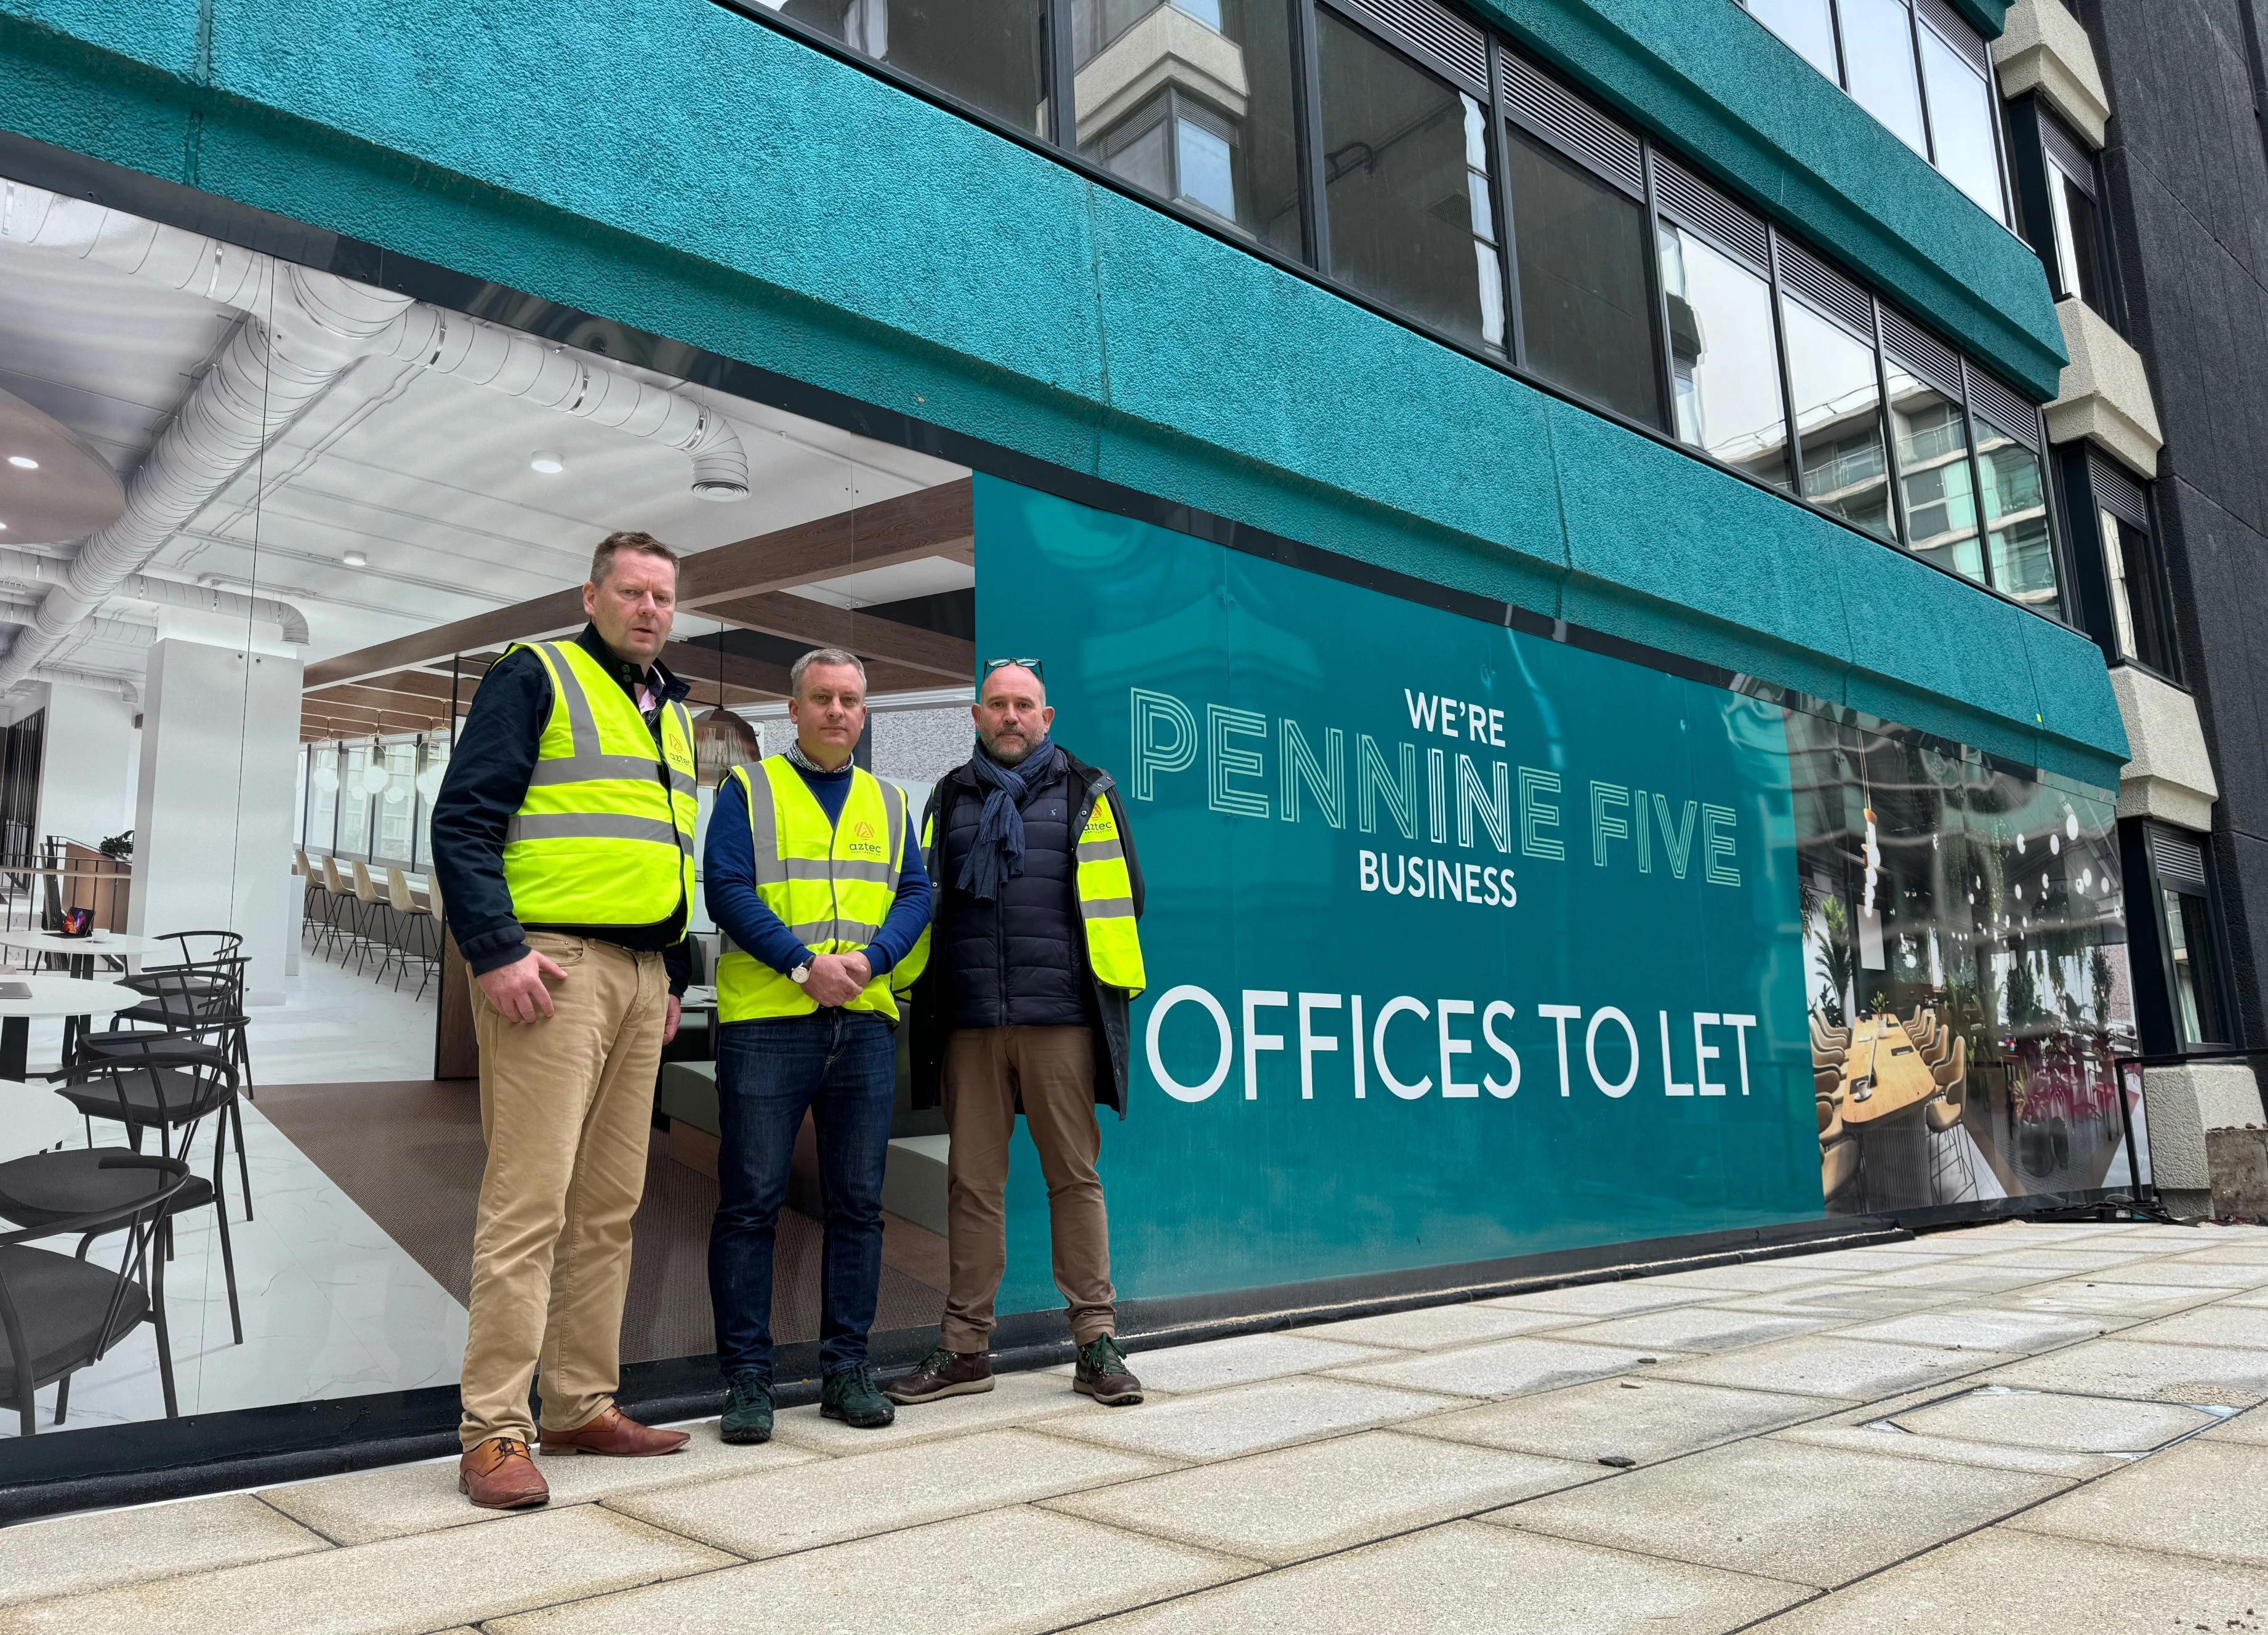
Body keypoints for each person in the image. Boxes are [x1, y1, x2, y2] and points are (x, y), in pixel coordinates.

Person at [430, 530, 698, 1510]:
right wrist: (494, 946)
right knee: (528, 1203)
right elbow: (462, 819)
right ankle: (495, 1429)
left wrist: (671, 970)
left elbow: (662, 852)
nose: (649, 610)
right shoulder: (534, 674)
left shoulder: (670, 709)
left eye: (664, 597)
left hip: (637, 976)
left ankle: (582, 1402)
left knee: (608, 1208)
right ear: (591, 596)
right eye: (631, 592)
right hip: (555, 966)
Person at [887, 659, 1148, 1410]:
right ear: (976, 716)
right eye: (997, 704)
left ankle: (1097, 1344)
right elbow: (924, 899)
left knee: (1074, 1179)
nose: (1010, 716)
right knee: (972, 1186)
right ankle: (966, 1347)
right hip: (970, 1020)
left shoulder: (1086, 791)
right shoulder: (949, 795)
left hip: (1060, 1017)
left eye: (1023, 705)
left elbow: (1126, 896)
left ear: (1047, 716)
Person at [704, 646, 933, 1444]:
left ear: (863, 712)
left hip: (863, 1021)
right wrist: (804, 965)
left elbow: (916, 892)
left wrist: (868, 962)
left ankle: (846, 1370)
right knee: (751, 1205)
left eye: (851, 700)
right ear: (792, 710)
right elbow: (725, 888)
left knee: (858, 1208)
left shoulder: (890, 800)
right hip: (768, 1020)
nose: (838, 711)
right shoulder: (749, 789)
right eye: (823, 699)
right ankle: (748, 1381)